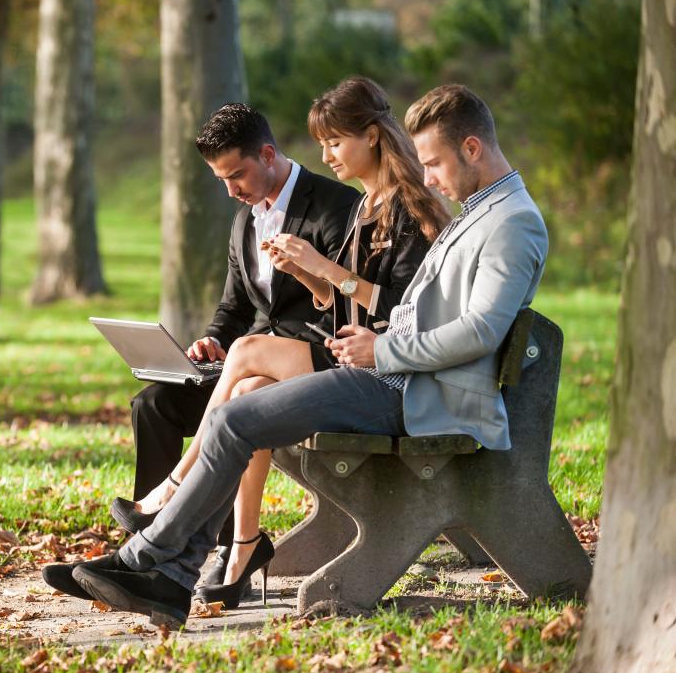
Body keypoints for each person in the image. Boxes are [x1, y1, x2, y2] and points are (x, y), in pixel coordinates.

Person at [55, 83, 549, 630]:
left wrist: (381, 347)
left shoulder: (512, 222)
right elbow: (425, 311)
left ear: (472, 148)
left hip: (418, 393)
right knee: (233, 415)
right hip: (396, 377)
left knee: (236, 418)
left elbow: (479, 332)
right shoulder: (480, 211)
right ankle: (162, 573)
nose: (427, 175)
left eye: (434, 162)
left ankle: (150, 566)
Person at [108, 76, 449, 608]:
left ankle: (173, 494)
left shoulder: (370, 207)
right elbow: (256, 307)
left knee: (247, 357)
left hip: (365, 369)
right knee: (218, 394)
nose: (328, 155)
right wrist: (311, 282)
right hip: (329, 359)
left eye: (335, 142)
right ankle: (229, 551)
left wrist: (322, 270)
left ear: (373, 137)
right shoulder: (353, 208)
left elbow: (403, 312)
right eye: (323, 145)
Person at [41, 104, 356, 601]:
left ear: (268, 155)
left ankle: (173, 528)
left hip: (311, 363)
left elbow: (345, 306)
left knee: (243, 396)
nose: (231, 189)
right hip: (249, 359)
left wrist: (301, 283)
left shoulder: (335, 206)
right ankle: (144, 553)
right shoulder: (244, 223)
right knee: (155, 404)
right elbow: (235, 310)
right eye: (220, 179)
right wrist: (213, 340)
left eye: (237, 174)